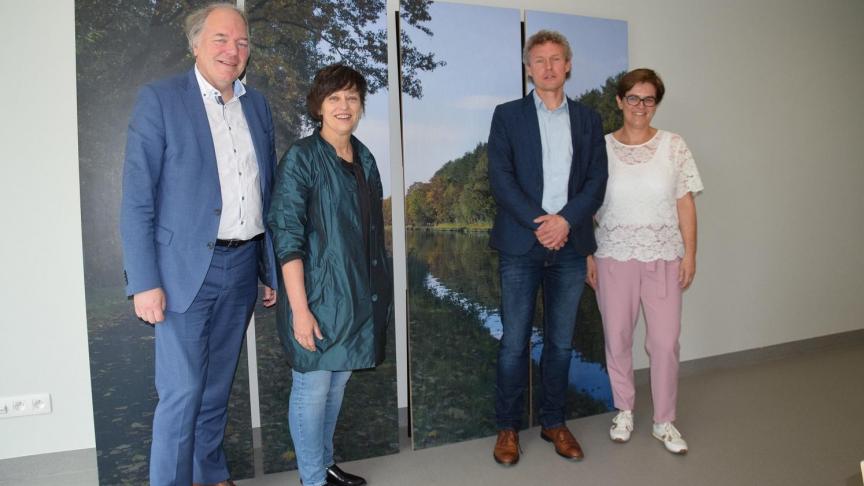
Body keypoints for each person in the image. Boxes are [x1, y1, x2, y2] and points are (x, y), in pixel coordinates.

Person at [119, 3, 278, 484]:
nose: (234, 50)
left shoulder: (258, 105)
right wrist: (144, 282)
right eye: (221, 40)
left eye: (242, 42)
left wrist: (267, 269)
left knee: (214, 389)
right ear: (195, 44)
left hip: (243, 265)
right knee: (183, 393)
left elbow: (264, 191)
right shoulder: (161, 100)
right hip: (183, 273)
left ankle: (210, 472)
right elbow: (136, 200)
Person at [487, 30, 608, 466]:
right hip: (522, 244)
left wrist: (565, 222)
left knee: (560, 343)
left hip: (571, 246)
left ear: (569, 65)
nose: (549, 67)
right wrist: (543, 223)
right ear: (528, 68)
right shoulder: (507, 116)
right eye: (539, 60)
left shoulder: (589, 120)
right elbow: (501, 180)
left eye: (557, 59)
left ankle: (554, 422)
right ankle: (507, 428)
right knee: (514, 342)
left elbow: (597, 182)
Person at [267, 64, 392, 486]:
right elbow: (287, 237)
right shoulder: (301, 158)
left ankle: (324, 464)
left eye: (352, 98)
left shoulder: (366, 158)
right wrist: (300, 310)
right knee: (312, 389)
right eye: (335, 97)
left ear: (360, 107)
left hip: (355, 298)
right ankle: (311, 480)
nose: (344, 106)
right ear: (318, 106)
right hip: (316, 298)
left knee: (336, 387)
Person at [586, 68, 703, 454]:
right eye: (633, 98)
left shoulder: (674, 145)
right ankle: (624, 409)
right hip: (612, 256)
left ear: (656, 104)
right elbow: (586, 206)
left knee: (665, 343)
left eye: (648, 99)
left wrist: (690, 253)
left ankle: (664, 420)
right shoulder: (599, 148)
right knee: (617, 338)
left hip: (665, 257)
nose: (640, 106)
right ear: (619, 101)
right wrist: (587, 254)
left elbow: (684, 201)